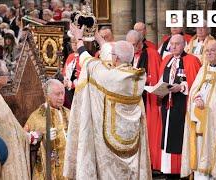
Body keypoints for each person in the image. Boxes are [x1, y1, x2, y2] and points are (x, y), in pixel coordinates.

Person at [63, 24, 151, 179]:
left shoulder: (108, 76)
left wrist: (79, 39)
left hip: (111, 141)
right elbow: (109, 54)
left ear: (115, 58)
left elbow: (88, 62)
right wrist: (97, 36)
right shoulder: (135, 76)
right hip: (130, 138)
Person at [181, 40, 216, 180]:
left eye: (213, 50)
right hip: (199, 123)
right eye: (207, 51)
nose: (209, 53)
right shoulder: (203, 69)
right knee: (199, 160)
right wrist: (196, 98)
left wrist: (207, 105)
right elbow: (195, 90)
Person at [158, 34, 201, 176]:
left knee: (180, 137)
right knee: (167, 135)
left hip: (182, 105)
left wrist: (181, 87)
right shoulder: (166, 60)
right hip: (167, 105)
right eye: (172, 43)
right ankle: (168, 169)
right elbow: (161, 79)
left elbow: (196, 84)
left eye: (177, 43)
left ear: (184, 45)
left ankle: (181, 169)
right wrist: (159, 90)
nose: (174, 46)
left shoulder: (192, 60)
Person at [126, 30, 162, 170]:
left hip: (147, 100)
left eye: (134, 45)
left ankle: (149, 162)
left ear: (141, 42)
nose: (132, 48)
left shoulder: (152, 54)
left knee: (148, 131)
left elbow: (157, 77)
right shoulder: (127, 54)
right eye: (129, 45)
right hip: (129, 100)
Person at [25, 79, 69, 180]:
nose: (62, 97)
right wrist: (43, 138)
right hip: (47, 171)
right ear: (47, 96)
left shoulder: (70, 113)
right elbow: (24, 138)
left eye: (63, 93)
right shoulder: (36, 117)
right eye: (58, 94)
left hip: (69, 167)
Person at [62, 38, 81, 108]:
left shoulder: (84, 57)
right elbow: (65, 70)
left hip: (78, 88)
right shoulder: (70, 56)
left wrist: (72, 84)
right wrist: (66, 81)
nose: (74, 45)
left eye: (76, 43)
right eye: (73, 43)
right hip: (68, 86)